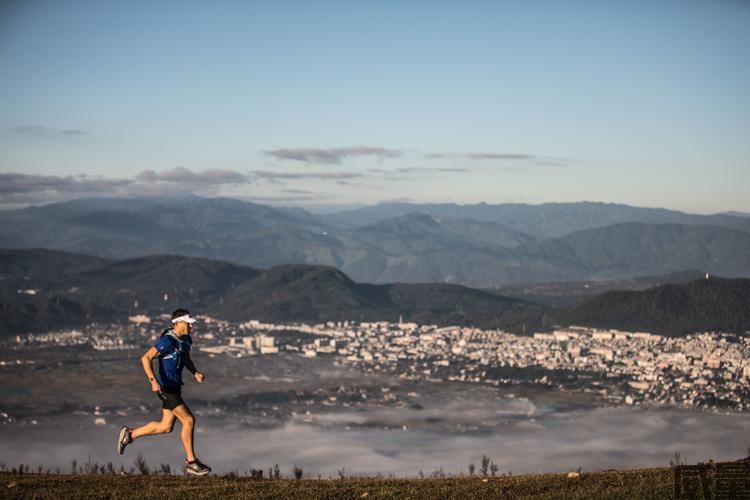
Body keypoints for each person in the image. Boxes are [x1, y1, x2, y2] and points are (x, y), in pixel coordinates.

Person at [117, 308, 211, 476]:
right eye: (188, 323)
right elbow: (145, 358)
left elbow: (185, 357)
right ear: (177, 323)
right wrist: (153, 381)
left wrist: (194, 372)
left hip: (176, 386)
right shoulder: (167, 341)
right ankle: (191, 462)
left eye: (191, 324)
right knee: (189, 420)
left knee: (166, 427)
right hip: (165, 387)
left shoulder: (187, 339)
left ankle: (130, 434)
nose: (191, 327)